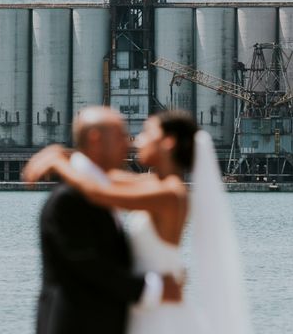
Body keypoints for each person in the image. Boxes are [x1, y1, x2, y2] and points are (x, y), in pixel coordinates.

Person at [26, 109, 252, 334]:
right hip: (142, 303)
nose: (134, 140)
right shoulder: (150, 183)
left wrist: (59, 162)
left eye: (146, 132)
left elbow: (98, 191)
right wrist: (71, 155)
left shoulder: (171, 194)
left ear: (168, 142)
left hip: (160, 305)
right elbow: (103, 178)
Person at [26, 107, 182, 334]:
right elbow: (89, 265)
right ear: (95, 139)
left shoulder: (98, 188)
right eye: (120, 135)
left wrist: (61, 159)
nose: (128, 143)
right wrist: (154, 288)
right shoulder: (69, 198)